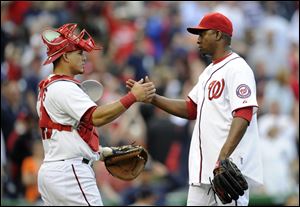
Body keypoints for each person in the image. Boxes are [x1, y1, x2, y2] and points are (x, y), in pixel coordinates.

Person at [127, 12, 263, 206]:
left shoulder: (238, 68)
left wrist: (223, 157)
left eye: (202, 34)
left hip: (227, 167)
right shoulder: (208, 72)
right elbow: (191, 109)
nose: (197, 39)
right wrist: (153, 98)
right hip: (203, 170)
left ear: (217, 34)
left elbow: (244, 112)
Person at [36, 23, 155, 206]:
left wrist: (101, 152)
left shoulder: (48, 87)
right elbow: (96, 117)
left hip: (54, 171)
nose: (84, 58)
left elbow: (69, 134)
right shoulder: (64, 87)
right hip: (70, 172)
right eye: (79, 54)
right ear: (66, 56)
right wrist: (132, 97)